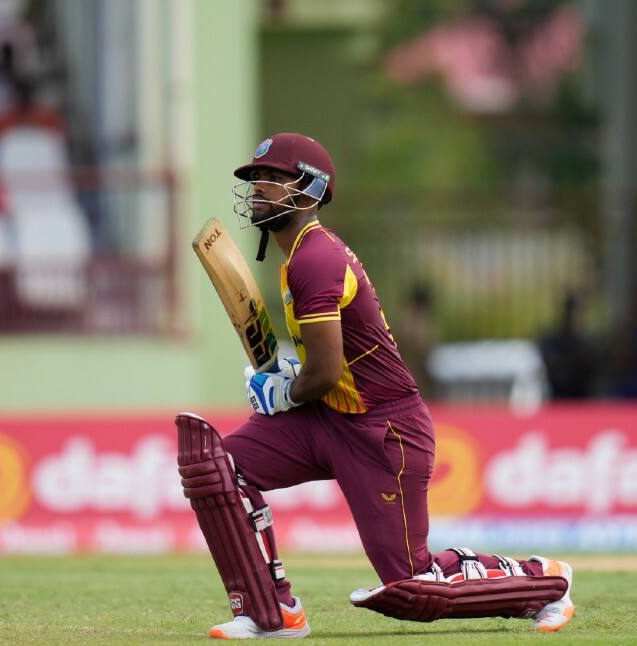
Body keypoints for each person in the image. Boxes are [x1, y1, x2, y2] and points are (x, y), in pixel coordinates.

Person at [176, 132, 576, 639]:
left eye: (274, 178)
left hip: (384, 432)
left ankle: (545, 581)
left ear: (311, 189)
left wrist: (281, 393)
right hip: (329, 419)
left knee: (411, 584)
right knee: (217, 467)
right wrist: (283, 373)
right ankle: (271, 612)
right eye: (257, 179)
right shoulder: (297, 256)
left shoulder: (315, 258)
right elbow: (325, 367)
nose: (259, 188)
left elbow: (323, 373)